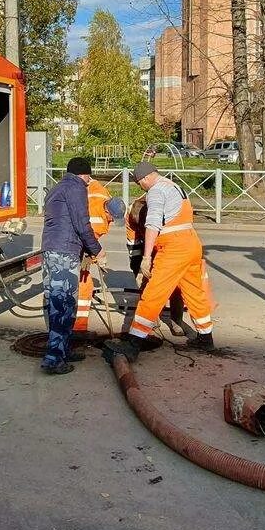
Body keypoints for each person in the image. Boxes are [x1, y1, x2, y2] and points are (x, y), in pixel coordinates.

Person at [105, 161, 215, 363]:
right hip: (191, 243)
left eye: (140, 184)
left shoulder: (155, 191)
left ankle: (133, 343)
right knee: (194, 292)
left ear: (145, 179)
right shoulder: (175, 186)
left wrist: (146, 258)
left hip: (174, 249)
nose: (141, 189)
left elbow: (153, 223)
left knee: (153, 293)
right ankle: (206, 338)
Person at [39, 156, 105, 375]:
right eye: (89, 177)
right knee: (63, 304)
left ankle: (63, 350)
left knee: (57, 302)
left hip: (51, 250)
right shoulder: (76, 188)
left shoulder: (57, 187)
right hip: (64, 253)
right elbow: (82, 224)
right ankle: (54, 359)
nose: (89, 181)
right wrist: (97, 250)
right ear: (83, 174)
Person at [125, 194, 187, 334]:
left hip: (171, 245)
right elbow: (133, 244)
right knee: (147, 284)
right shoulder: (130, 216)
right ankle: (151, 319)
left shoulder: (165, 210)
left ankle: (176, 321)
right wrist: (137, 269)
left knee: (176, 285)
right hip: (148, 247)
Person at [75, 176, 126, 336]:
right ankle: (78, 328)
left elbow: (92, 182)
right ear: (107, 211)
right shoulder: (97, 221)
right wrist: (97, 256)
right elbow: (89, 242)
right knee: (85, 285)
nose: (112, 221)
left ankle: (77, 325)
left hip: (76, 234)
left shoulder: (102, 193)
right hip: (74, 244)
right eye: (112, 218)